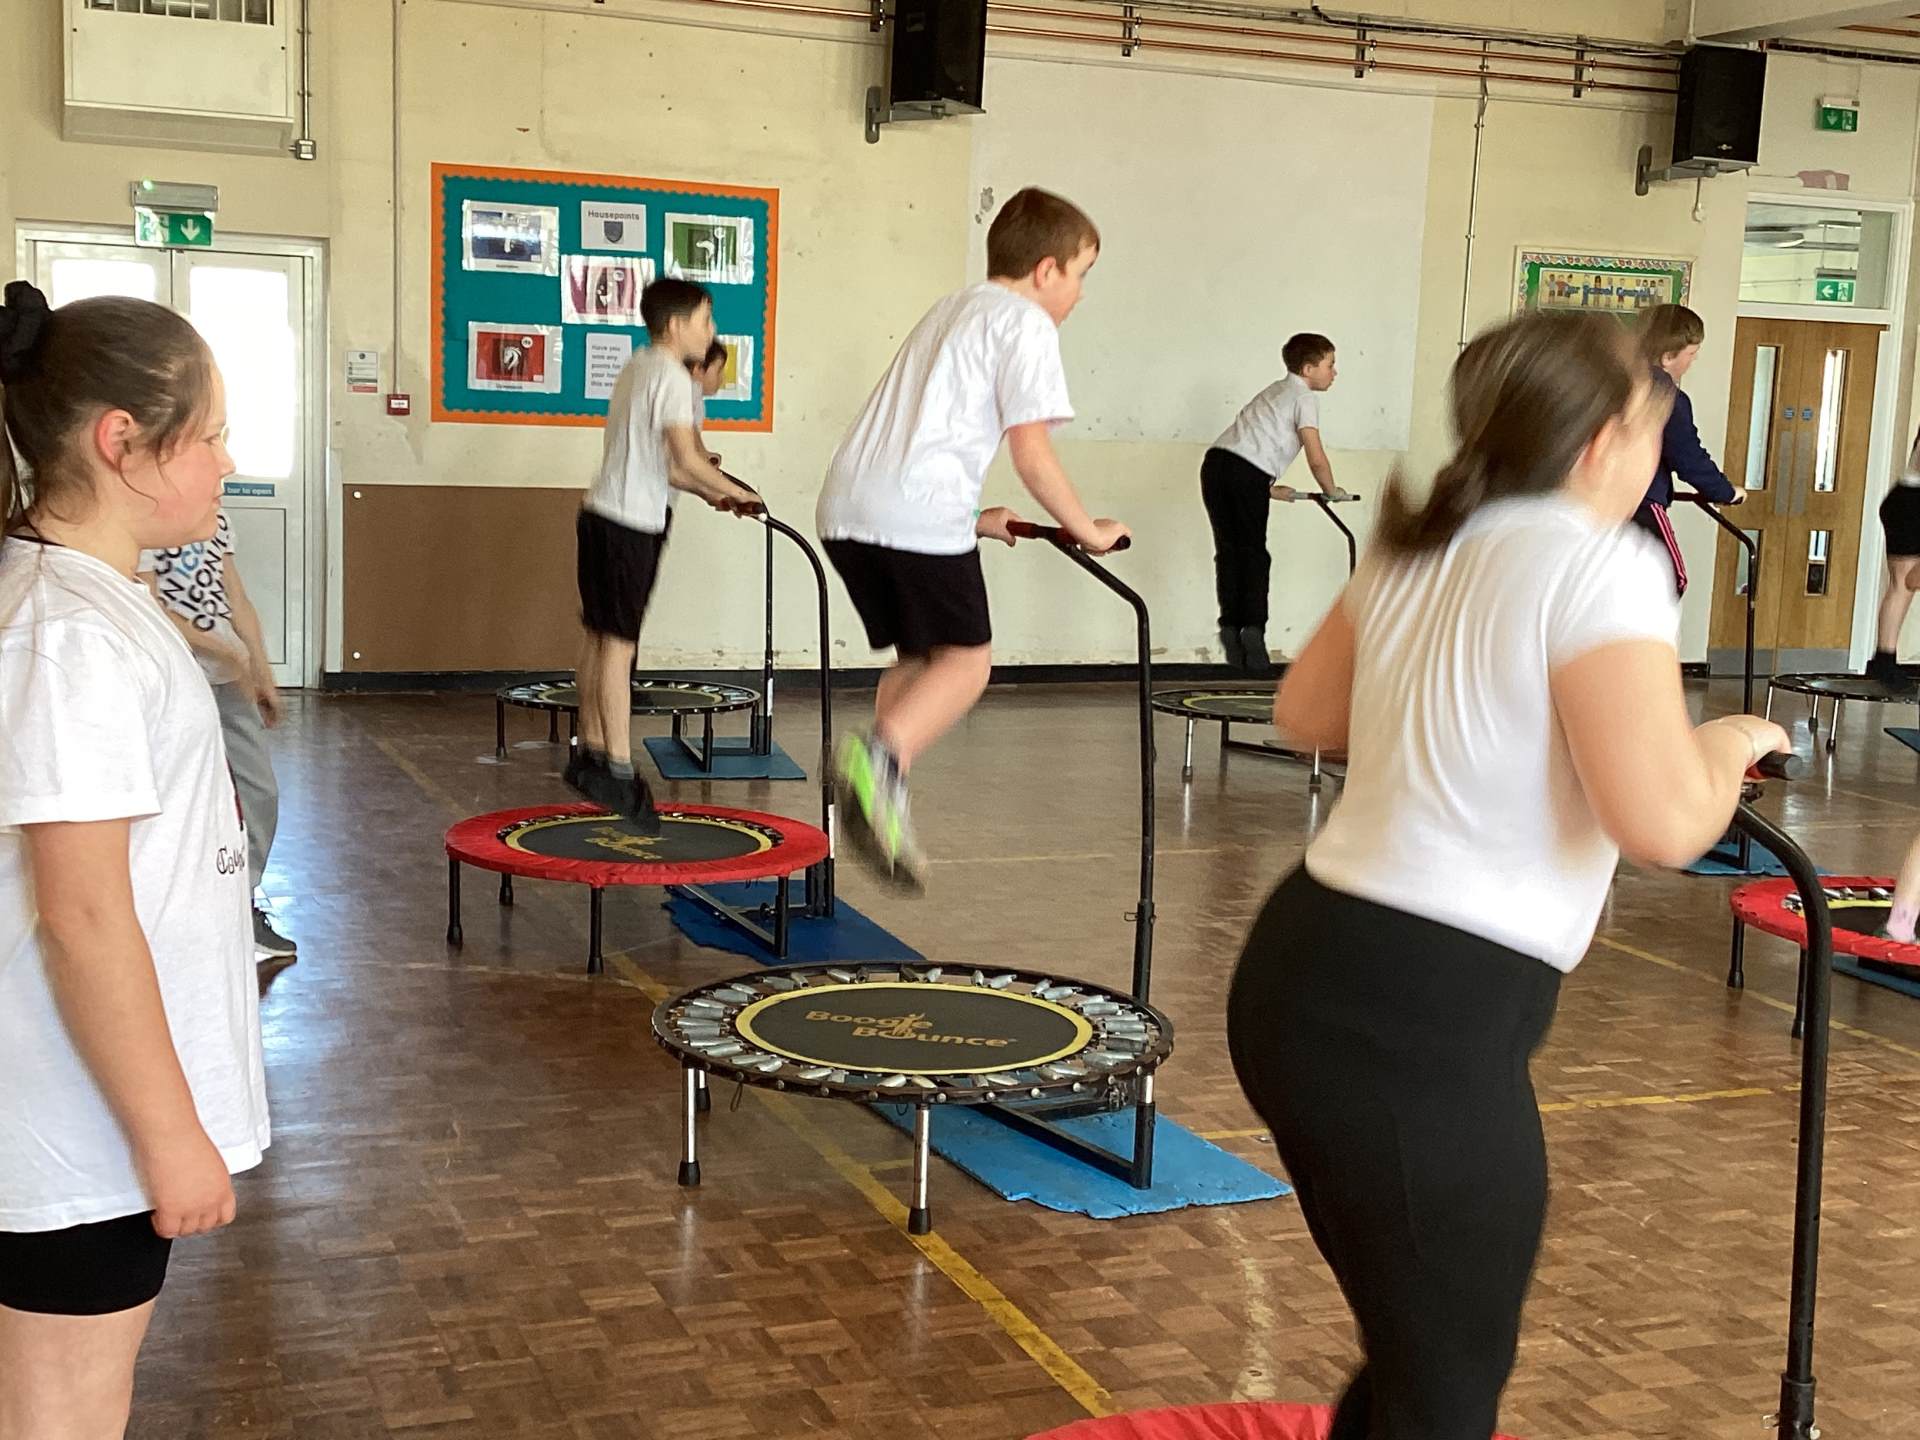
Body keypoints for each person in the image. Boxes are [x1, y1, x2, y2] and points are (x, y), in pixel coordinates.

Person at [1226, 309, 1789, 1440]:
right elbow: (1663, 824)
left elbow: (1307, 713)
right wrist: (1732, 740)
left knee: (1423, 1359)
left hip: (1299, 976)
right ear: (1600, 442)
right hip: (1418, 1022)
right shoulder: (1603, 561)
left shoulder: (1424, 540)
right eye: (1655, 429)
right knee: (1444, 1382)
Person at [0, 282, 269, 1437]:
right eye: (209, 435)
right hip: (76, 1128)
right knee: (64, 1407)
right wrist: (169, 1134)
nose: (225, 462)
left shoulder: (96, 603)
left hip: (87, 1118)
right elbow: (83, 916)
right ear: (124, 443)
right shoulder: (65, 632)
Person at [817, 186, 1128, 889]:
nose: (1080, 293)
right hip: (913, 513)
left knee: (923, 658)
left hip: (850, 508)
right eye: (1081, 274)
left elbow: (926, 428)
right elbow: (1032, 453)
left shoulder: (953, 308)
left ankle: (885, 804)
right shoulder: (1027, 324)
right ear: (1046, 270)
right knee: (968, 663)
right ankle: (876, 763)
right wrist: (1089, 530)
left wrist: (973, 518)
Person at [568, 279, 758, 828]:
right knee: (619, 646)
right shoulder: (673, 376)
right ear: (676, 326)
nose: (712, 331)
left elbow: (672, 470)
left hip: (599, 513)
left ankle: (591, 753)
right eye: (706, 320)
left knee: (600, 636)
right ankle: (620, 771)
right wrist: (738, 492)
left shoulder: (639, 365)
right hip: (629, 524)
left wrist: (717, 495)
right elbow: (687, 459)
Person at [137, 514, 295, 962]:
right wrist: (221, 648)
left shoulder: (216, 518)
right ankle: (171, 912)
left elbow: (237, 598)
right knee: (179, 796)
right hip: (177, 673)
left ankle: (241, 904)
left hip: (228, 678)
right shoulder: (148, 517)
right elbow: (147, 602)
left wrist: (260, 670)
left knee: (258, 788)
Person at [1201, 333, 1350, 676]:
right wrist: (1331, 490)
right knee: (1254, 554)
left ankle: (1230, 629)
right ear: (1308, 369)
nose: (1334, 373)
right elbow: (1315, 456)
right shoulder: (1304, 398)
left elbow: (1247, 445)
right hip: (1246, 474)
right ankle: (1253, 634)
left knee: (1230, 551)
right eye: (1330, 365)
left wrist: (1265, 488)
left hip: (1216, 466)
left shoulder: (1274, 391)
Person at [1630, 303, 1742, 597]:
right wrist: (1724, 491)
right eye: (1691, 354)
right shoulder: (1667, 397)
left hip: (1592, 503)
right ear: (1668, 356)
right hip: (1642, 502)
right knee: (1671, 580)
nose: (1693, 361)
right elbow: (1688, 457)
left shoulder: (1608, 383)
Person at [1867, 426, 1920, 696]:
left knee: (1905, 584)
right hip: (1910, 503)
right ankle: (1884, 661)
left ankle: (1884, 660)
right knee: (1905, 582)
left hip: (1907, 500)